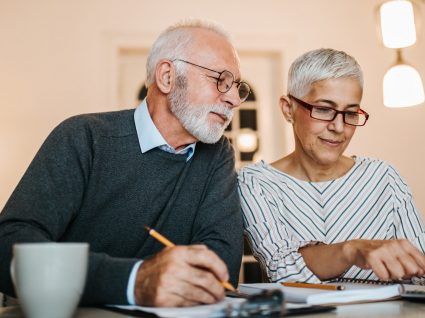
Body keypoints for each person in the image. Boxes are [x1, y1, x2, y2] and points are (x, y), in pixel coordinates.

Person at [0, 19, 250, 307]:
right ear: (167, 76)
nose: (234, 99)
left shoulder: (217, 154)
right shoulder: (84, 137)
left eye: (236, 86)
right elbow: (9, 246)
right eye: (221, 79)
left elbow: (220, 270)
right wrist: (135, 280)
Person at [238, 48, 425, 284]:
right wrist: (352, 250)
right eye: (324, 109)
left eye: (351, 113)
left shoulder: (384, 177)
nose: (339, 127)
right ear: (288, 109)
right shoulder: (256, 182)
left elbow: (420, 272)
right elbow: (284, 271)